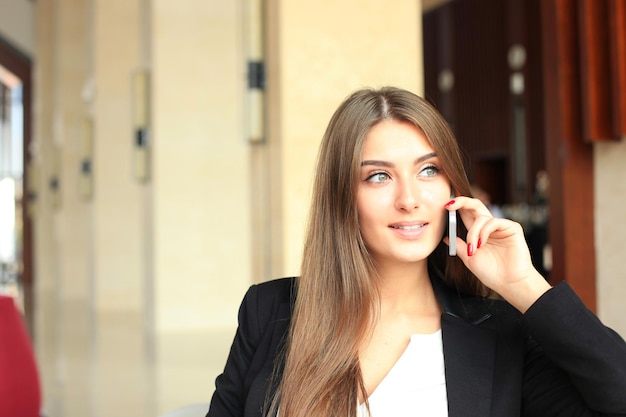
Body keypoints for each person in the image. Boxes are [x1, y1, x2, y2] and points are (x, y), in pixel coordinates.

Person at [207, 87, 626, 417]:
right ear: (342, 198)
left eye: (429, 170)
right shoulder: (270, 311)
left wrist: (526, 286)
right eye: (378, 177)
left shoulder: (498, 334)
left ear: (451, 187)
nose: (410, 199)